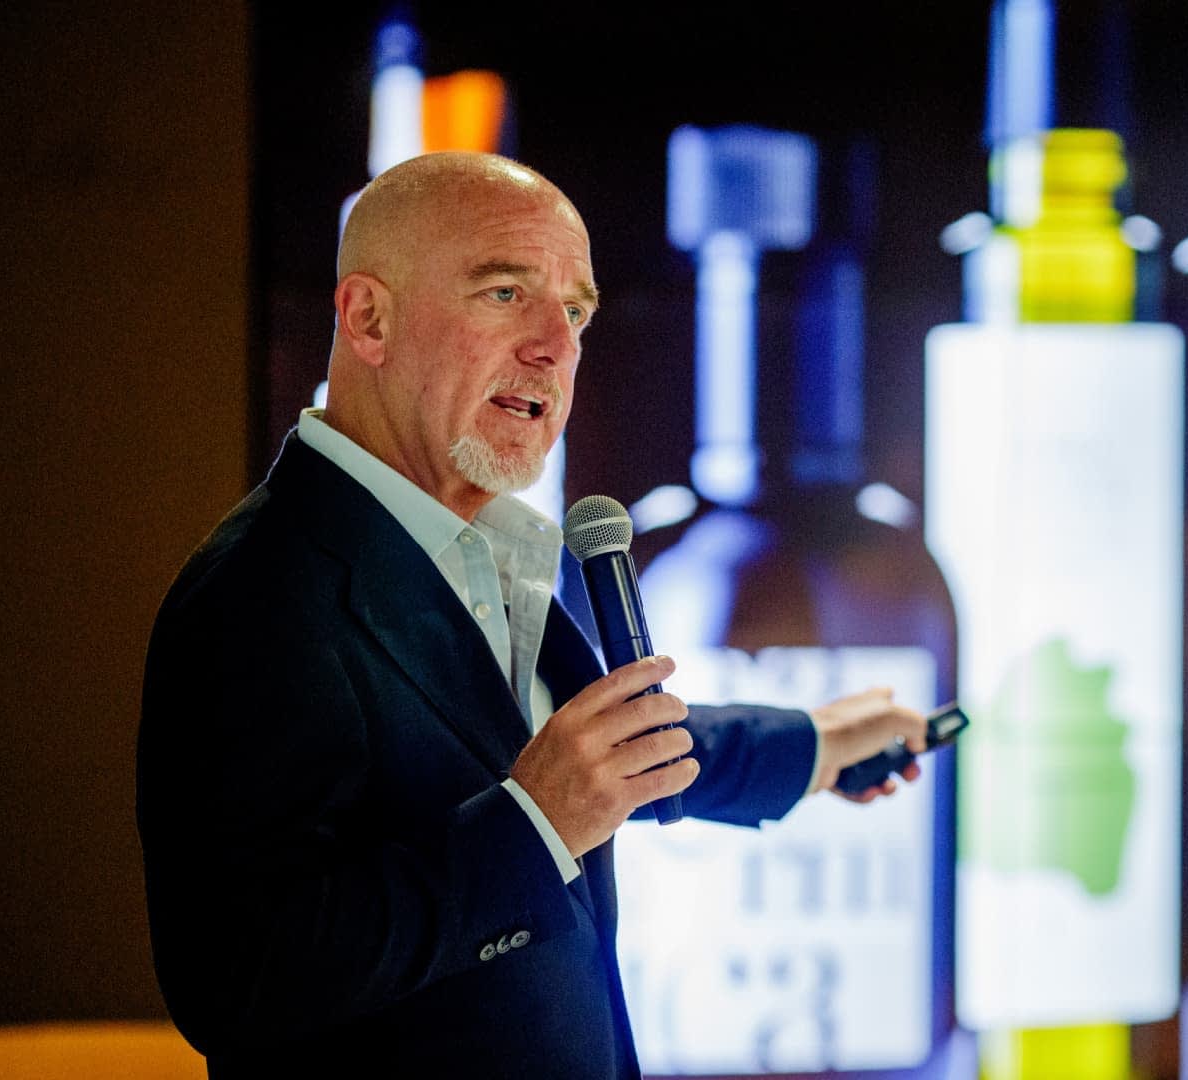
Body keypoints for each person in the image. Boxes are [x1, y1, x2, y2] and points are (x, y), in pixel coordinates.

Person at [137, 151, 929, 1078]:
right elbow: (239, 979)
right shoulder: (258, 594)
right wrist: (533, 826)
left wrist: (813, 745)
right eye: (505, 293)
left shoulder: (480, 550)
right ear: (369, 319)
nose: (556, 345)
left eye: (577, 311)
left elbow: (570, 755)